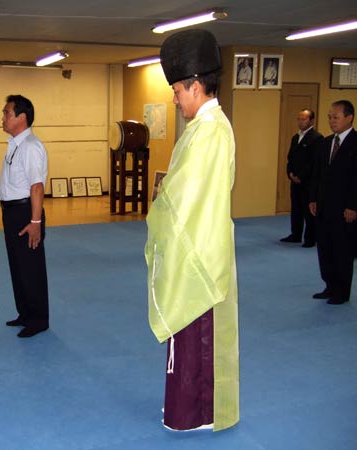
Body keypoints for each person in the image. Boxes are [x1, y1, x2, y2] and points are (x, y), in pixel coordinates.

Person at [145, 29, 239, 432]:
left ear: (195, 86)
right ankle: (190, 409)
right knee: (189, 333)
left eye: (177, 91)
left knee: (196, 331)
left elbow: (185, 195)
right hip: (196, 242)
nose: (175, 99)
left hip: (198, 249)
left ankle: (196, 413)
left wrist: (160, 205)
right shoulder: (204, 127)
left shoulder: (211, 130)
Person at [0, 94, 50, 337]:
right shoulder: (15, 144)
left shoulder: (31, 146)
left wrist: (35, 222)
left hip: (26, 213)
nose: (3, 118)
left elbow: (36, 187)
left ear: (22, 117)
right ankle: (25, 313)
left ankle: (39, 319)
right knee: (17, 267)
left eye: (7, 113)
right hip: (12, 213)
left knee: (31, 269)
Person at [309, 100, 357, 305]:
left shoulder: (355, 142)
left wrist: (353, 206)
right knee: (325, 248)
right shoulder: (326, 142)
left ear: (349, 117)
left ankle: (341, 291)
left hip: (345, 208)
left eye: (336, 117)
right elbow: (317, 174)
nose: (331, 121)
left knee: (342, 250)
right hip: (324, 206)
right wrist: (313, 198)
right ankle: (329, 285)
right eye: (329, 117)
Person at [280, 109, 323, 247]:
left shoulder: (317, 138)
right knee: (296, 208)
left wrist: (301, 176)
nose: (300, 122)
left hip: (308, 181)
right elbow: (290, 158)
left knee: (309, 210)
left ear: (311, 120)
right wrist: (290, 173)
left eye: (303, 119)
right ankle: (296, 234)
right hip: (295, 180)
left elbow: (314, 162)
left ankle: (310, 238)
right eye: (299, 119)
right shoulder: (295, 137)